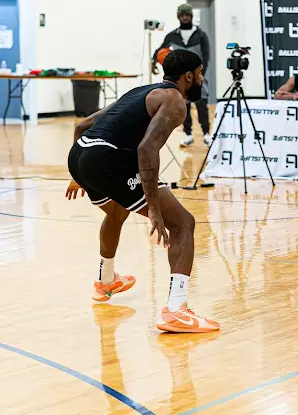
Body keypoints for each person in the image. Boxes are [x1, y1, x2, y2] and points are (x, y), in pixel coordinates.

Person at [66, 49, 220, 333]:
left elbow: (83, 126)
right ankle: (176, 311)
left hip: (80, 155)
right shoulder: (175, 101)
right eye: (200, 74)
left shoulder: (142, 91)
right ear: (188, 76)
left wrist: (78, 175)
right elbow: (147, 149)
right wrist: (154, 209)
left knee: (117, 212)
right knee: (183, 223)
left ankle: (106, 280)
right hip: (108, 160)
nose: (202, 79)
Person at [152, 4, 212, 147]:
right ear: (178, 17)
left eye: (187, 15)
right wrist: (154, 61)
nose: (184, 17)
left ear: (191, 16)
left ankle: (206, 133)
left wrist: (200, 76)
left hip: (197, 76)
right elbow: (160, 50)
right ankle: (188, 134)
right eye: (182, 15)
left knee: (202, 105)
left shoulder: (200, 35)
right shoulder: (173, 36)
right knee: (184, 106)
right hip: (181, 79)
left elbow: (206, 57)